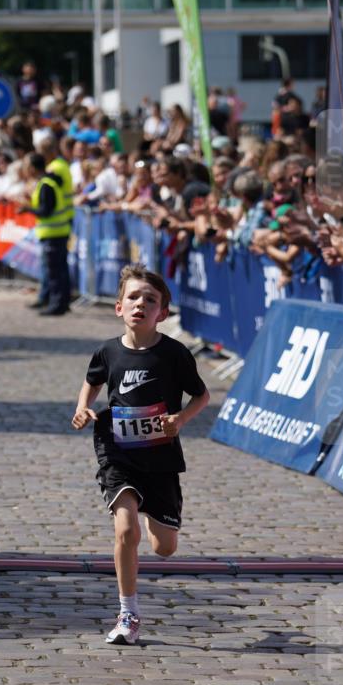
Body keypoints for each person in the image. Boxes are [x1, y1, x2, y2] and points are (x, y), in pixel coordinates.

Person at [71, 265, 210, 646]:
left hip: (161, 457)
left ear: (162, 313)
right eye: (133, 297)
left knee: (165, 548)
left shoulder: (174, 354)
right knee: (125, 529)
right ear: (119, 307)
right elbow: (92, 381)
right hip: (117, 451)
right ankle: (127, 613)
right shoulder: (108, 351)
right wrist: (83, 407)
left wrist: (180, 419)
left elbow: (202, 396)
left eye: (150, 300)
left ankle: (152, 514)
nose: (140, 304)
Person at [15, 152, 73, 316]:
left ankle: (57, 304)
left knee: (55, 271)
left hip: (53, 233)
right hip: (57, 232)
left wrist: (27, 209)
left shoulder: (46, 184)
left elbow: (45, 211)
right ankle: (60, 303)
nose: (25, 169)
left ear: (33, 168)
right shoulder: (48, 182)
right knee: (59, 270)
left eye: (27, 166)